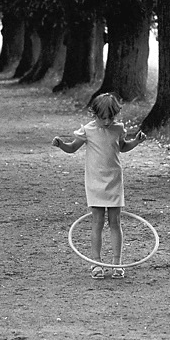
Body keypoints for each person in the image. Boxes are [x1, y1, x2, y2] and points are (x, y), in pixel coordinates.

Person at [52, 93, 146, 279]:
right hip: (95, 182)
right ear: (94, 114)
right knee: (97, 221)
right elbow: (72, 148)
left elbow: (122, 147)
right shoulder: (88, 130)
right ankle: (96, 263)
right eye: (103, 117)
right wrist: (61, 144)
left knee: (115, 221)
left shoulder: (118, 128)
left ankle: (117, 263)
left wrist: (136, 141)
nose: (107, 121)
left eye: (111, 117)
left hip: (114, 180)